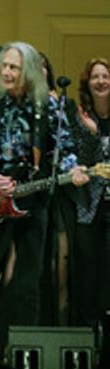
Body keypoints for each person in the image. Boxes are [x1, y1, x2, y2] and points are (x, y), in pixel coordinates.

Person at [0, 42, 88, 357]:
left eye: (13, 67)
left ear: (27, 71)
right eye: (4, 66)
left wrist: (74, 170)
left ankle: (26, 359)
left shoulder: (47, 105)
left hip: (33, 199)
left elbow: (64, 149)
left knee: (29, 286)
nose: (6, 72)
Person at [72, 57, 110, 325]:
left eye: (105, 76)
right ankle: (88, 327)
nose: (101, 81)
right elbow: (80, 162)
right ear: (88, 84)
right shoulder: (80, 117)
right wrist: (93, 134)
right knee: (88, 270)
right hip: (89, 205)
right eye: (95, 77)